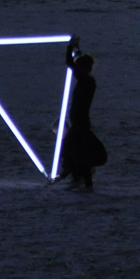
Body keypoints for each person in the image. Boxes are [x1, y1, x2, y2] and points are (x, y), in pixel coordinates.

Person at [60, 37, 106, 191]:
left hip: (80, 123)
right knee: (75, 152)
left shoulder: (86, 81)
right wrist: (76, 50)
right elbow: (74, 64)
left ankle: (79, 179)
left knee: (71, 151)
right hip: (79, 122)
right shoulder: (87, 80)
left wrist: (70, 47)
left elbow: (69, 63)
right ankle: (81, 180)